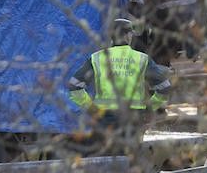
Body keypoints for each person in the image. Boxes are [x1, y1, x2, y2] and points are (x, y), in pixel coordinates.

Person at [67, 18, 171, 155]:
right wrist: (150, 109)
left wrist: (92, 109)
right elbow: (164, 87)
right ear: (128, 36)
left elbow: (74, 86)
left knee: (105, 160)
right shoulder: (141, 59)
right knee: (129, 160)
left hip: (105, 118)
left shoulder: (97, 58)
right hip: (133, 119)